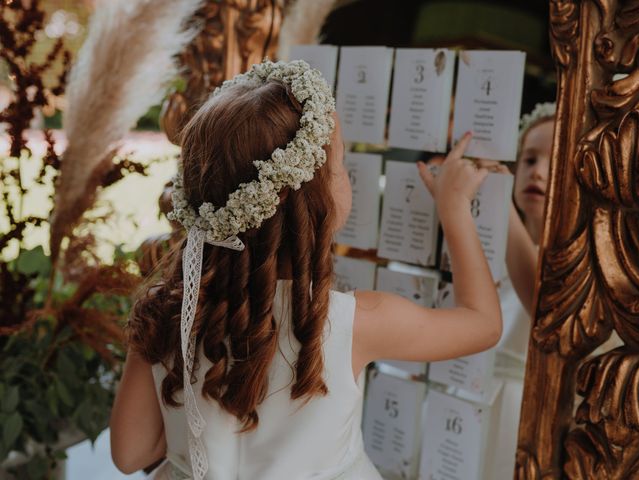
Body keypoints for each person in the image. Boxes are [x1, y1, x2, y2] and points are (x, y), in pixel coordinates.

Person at [109, 60, 502, 480]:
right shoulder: (355, 322)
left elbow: (130, 454)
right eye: (342, 167)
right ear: (311, 201)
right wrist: (454, 209)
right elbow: (482, 323)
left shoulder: (166, 311)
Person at [489, 101, 555, 479]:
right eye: (529, 160)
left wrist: (499, 202)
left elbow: (540, 302)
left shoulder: (570, 263)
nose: (538, 173)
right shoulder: (493, 244)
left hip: (524, 411)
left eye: (553, 161)